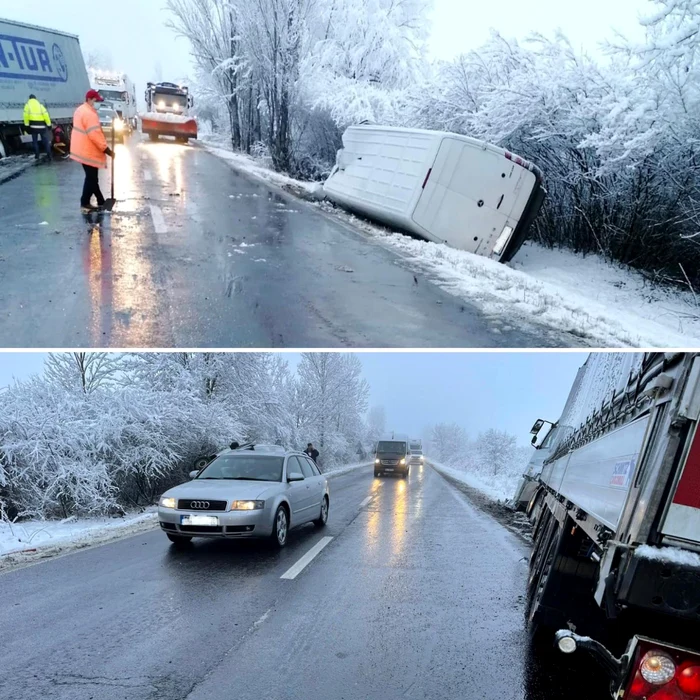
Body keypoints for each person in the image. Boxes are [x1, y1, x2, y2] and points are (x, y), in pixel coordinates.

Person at [70, 89, 115, 213]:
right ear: (90, 99)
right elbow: (95, 134)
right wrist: (106, 149)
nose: (97, 103)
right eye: (96, 100)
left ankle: (99, 201)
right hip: (88, 150)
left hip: (82, 148)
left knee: (92, 178)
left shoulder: (81, 110)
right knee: (91, 178)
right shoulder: (90, 114)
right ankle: (85, 202)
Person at [23, 94, 52, 161]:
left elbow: (25, 116)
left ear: (29, 99)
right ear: (35, 98)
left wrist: (26, 126)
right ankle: (49, 155)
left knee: (35, 142)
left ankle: (37, 155)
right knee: (45, 141)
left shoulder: (27, 106)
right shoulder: (40, 106)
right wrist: (49, 125)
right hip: (42, 126)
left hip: (33, 127)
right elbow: (46, 115)